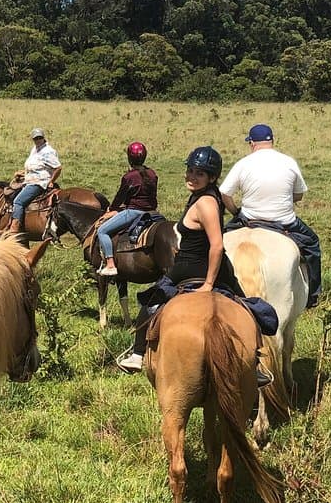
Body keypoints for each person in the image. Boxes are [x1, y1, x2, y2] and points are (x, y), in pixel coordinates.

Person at [116, 146, 248, 373]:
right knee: (246, 308)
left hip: (189, 268)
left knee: (150, 304)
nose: (192, 177)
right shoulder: (209, 197)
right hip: (214, 266)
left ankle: (137, 355)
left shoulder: (204, 203)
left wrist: (207, 284)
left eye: (200, 174)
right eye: (190, 170)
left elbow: (216, 245)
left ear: (212, 177)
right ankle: (254, 361)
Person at [220, 123, 321, 307]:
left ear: (251, 143)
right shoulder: (288, 162)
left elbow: (225, 194)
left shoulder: (243, 164)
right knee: (312, 244)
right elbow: (299, 195)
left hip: (249, 220)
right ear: (272, 140)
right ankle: (313, 294)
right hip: (285, 223)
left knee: (216, 243)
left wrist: (236, 212)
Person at [96, 141, 159, 277]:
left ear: (129, 158)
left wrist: (111, 209)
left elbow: (120, 197)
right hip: (153, 212)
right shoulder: (152, 174)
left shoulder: (129, 177)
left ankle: (110, 264)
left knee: (102, 231)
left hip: (133, 212)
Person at [9, 128, 61, 235]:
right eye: (35, 138)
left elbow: (58, 167)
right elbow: (36, 167)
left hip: (39, 183)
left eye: (39, 138)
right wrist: (23, 173)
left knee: (18, 201)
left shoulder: (48, 151)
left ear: (43, 138)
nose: (38, 140)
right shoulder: (35, 149)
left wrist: (51, 181)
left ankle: (14, 228)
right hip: (29, 180)